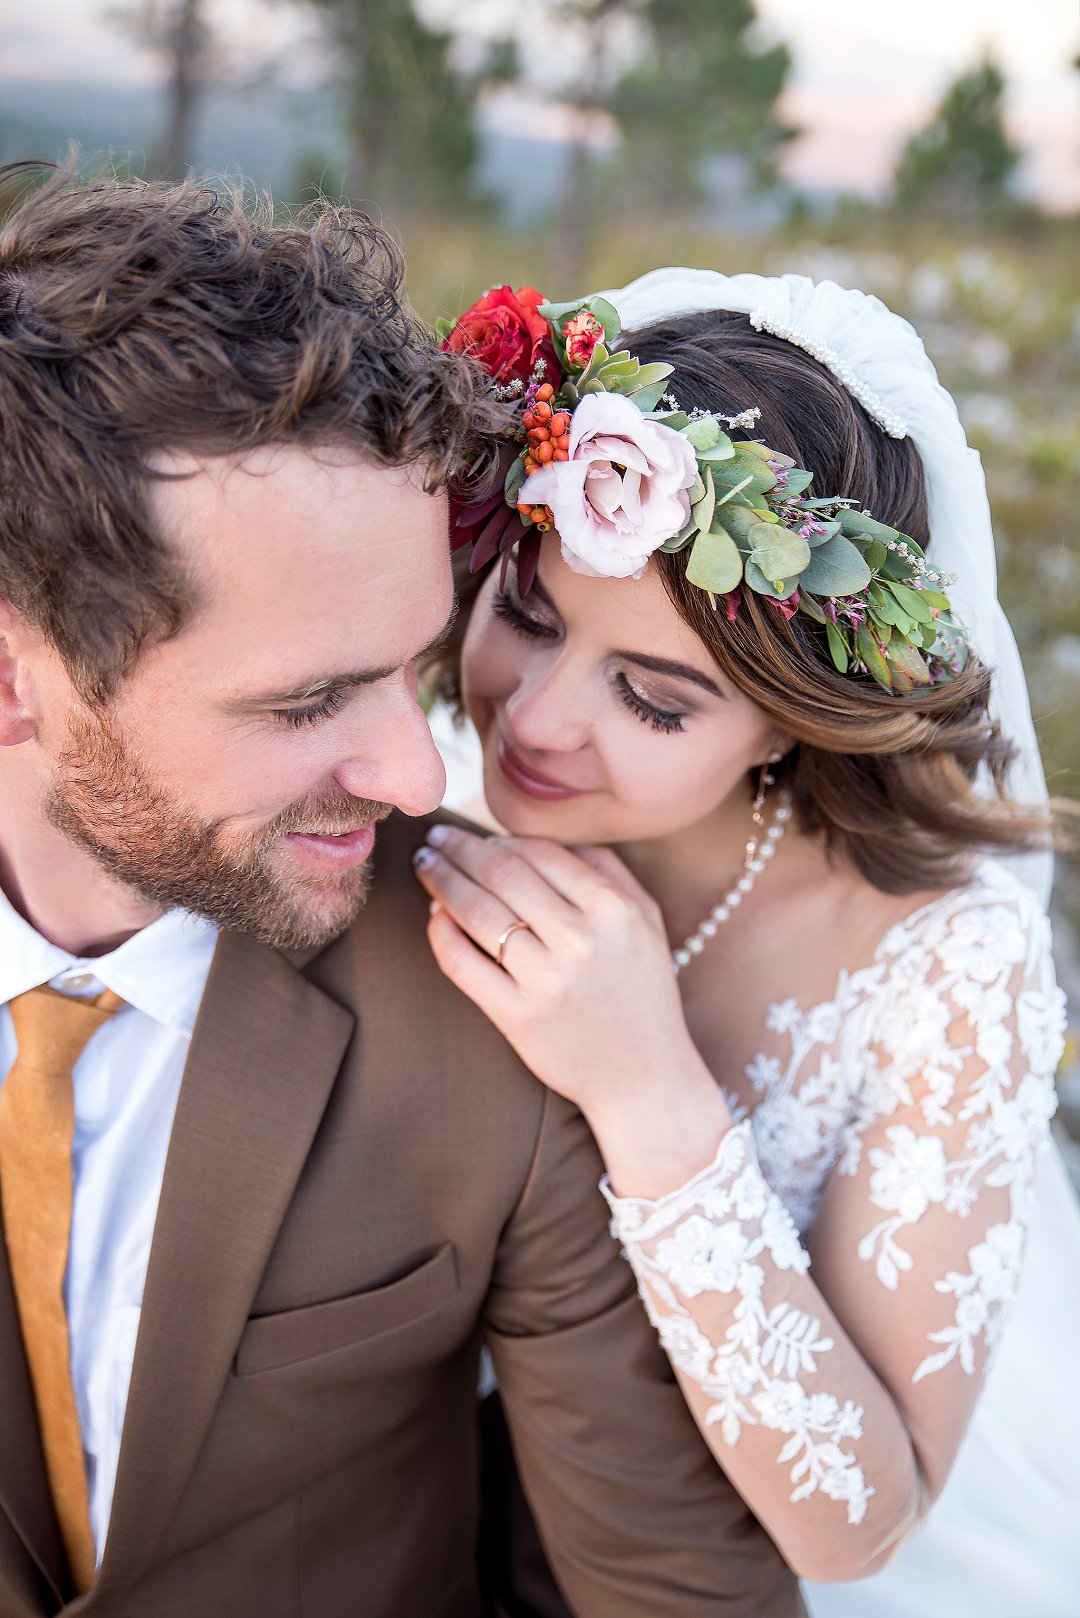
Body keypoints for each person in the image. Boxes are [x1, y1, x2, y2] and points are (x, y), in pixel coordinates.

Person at [0, 176, 805, 1618]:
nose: (420, 775)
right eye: (309, 699)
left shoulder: (504, 1005)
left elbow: (672, 1590)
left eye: (414, 666)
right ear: (16, 680)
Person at [417, 270, 1080, 1617]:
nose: (534, 720)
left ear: (790, 722)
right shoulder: (424, 782)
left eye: (653, 701)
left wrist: (649, 1090)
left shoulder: (947, 967)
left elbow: (861, 1526)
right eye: (530, 615)